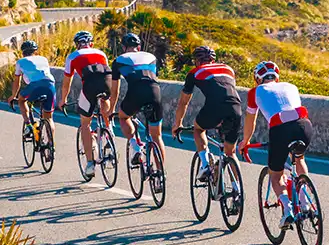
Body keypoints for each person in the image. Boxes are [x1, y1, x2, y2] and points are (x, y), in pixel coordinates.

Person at [239, 61, 313, 230]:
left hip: (280, 128)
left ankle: (287, 210)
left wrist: (246, 141)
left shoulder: (254, 92)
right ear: (277, 77)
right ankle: (304, 200)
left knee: (275, 174)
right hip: (304, 124)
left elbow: (251, 121)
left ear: (258, 79)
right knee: (299, 159)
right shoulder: (291, 86)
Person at [174, 46, 243, 182]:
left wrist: (178, 123)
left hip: (215, 107)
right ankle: (238, 190)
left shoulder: (194, 72)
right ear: (213, 59)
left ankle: (205, 164)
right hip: (236, 107)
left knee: (198, 128)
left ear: (197, 61)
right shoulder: (228, 69)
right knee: (230, 152)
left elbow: (183, 102)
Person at [57, 30, 111, 177]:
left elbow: (66, 83)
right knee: (106, 109)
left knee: (85, 124)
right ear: (91, 44)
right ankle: (109, 135)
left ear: (77, 45)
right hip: (107, 84)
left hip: (89, 87)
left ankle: (90, 164)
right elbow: (105, 72)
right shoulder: (101, 54)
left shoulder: (73, 56)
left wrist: (63, 100)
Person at [108, 32, 165, 166]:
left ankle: (136, 146)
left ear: (124, 47)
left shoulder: (119, 60)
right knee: (157, 136)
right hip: (155, 92)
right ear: (139, 47)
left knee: (123, 117)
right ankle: (160, 176)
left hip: (136, 92)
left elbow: (115, 90)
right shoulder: (151, 57)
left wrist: (111, 109)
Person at [7, 40, 55, 141]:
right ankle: (51, 146)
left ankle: (29, 126)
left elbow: (17, 81)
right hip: (50, 84)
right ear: (35, 51)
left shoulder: (20, 62)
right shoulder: (43, 59)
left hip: (34, 86)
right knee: (49, 118)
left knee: (21, 99)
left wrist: (13, 95)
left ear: (23, 52)